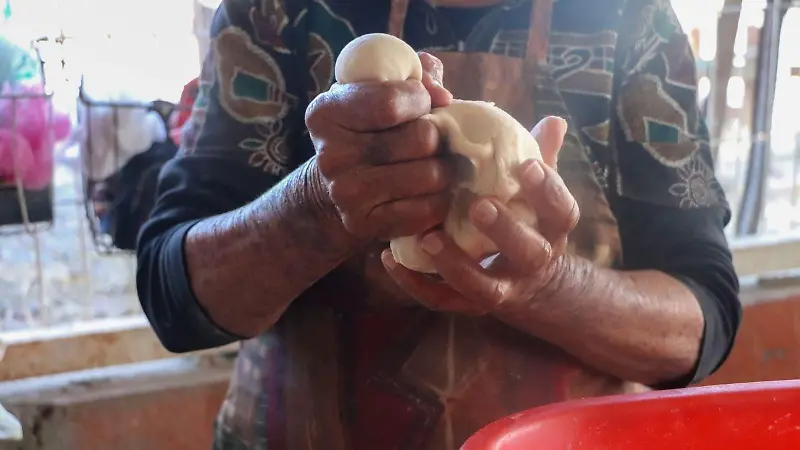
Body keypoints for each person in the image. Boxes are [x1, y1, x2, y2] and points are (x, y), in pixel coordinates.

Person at [136, 0, 742, 449]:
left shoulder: (629, 22)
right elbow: (175, 299)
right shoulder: (276, 15)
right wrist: (319, 204)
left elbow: (698, 330)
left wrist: (548, 287)